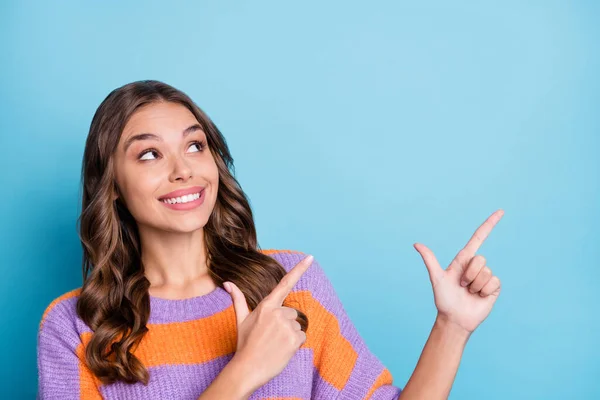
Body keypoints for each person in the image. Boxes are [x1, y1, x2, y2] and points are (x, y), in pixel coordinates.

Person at [37, 80, 503, 400]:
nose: (183, 170)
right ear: (112, 184)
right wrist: (242, 372)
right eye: (150, 154)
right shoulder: (74, 327)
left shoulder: (289, 283)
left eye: (195, 145)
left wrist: (452, 327)